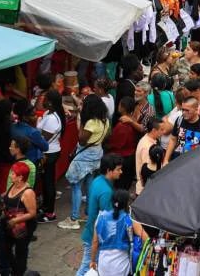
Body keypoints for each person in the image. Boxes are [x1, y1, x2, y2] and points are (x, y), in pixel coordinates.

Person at [59, 94, 110, 230]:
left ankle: (74, 218)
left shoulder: (90, 123)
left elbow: (81, 139)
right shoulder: (105, 120)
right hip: (97, 154)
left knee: (76, 185)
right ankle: (88, 214)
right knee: (89, 185)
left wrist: (81, 121)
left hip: (85, 156)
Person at [74, 154, 123, 276]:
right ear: (109, 170)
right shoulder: (106, 192)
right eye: (118, 169)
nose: (121, 172)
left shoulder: (97, 181)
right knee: (86, 269)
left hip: (90, 231)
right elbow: (107, 221)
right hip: (94, 237)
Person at [90, 189, 147, 274]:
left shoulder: (100, 217)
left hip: (103, 264)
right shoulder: (129, 220)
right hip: (121, 265)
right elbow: (146, 238)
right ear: (127, 204)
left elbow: (95, 242)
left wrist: (92, 260)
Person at [0, 161, 37, 276]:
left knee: (21, 251)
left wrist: (15, 220)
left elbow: (32, 213)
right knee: (5, 249)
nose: (11, 175)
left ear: (20, 177)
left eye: (13, 174)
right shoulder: (13, 185)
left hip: (23, 228)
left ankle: (19, 272)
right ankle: (15, 270)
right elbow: (5, 197)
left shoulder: (28, 192)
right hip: (9, 225)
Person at [37, 89, 65, 223]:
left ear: (51, 103)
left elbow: (43, 140)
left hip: (49, 153)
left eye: (45, 99)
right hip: (49, 152)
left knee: (48, 182)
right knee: (46, 181)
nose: (43, 101)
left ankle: (49, 212)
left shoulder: (52, 119)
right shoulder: (49, 113)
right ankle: (45, 206)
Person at [163, 96, 200, 163]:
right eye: (182, 109)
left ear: (196, 109)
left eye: (187, 110)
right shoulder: (179, 120)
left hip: (197, 163)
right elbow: (173, 139)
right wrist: (166, 159)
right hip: (180, 160)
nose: (183, 113)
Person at [105, 96, 139, 190]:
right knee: (125, 185)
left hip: (123, 158)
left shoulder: (122, 125)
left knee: (120, 186)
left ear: (123, 107)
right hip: (131, 157)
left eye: (119, 104)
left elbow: (116, 143)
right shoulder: (134, 121)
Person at [135, 118, 164, 194]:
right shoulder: (147, 148)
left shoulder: (151, 139)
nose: (163, 132)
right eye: (161, 129)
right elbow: (147, 172)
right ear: (154, 130)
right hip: (145, 189)